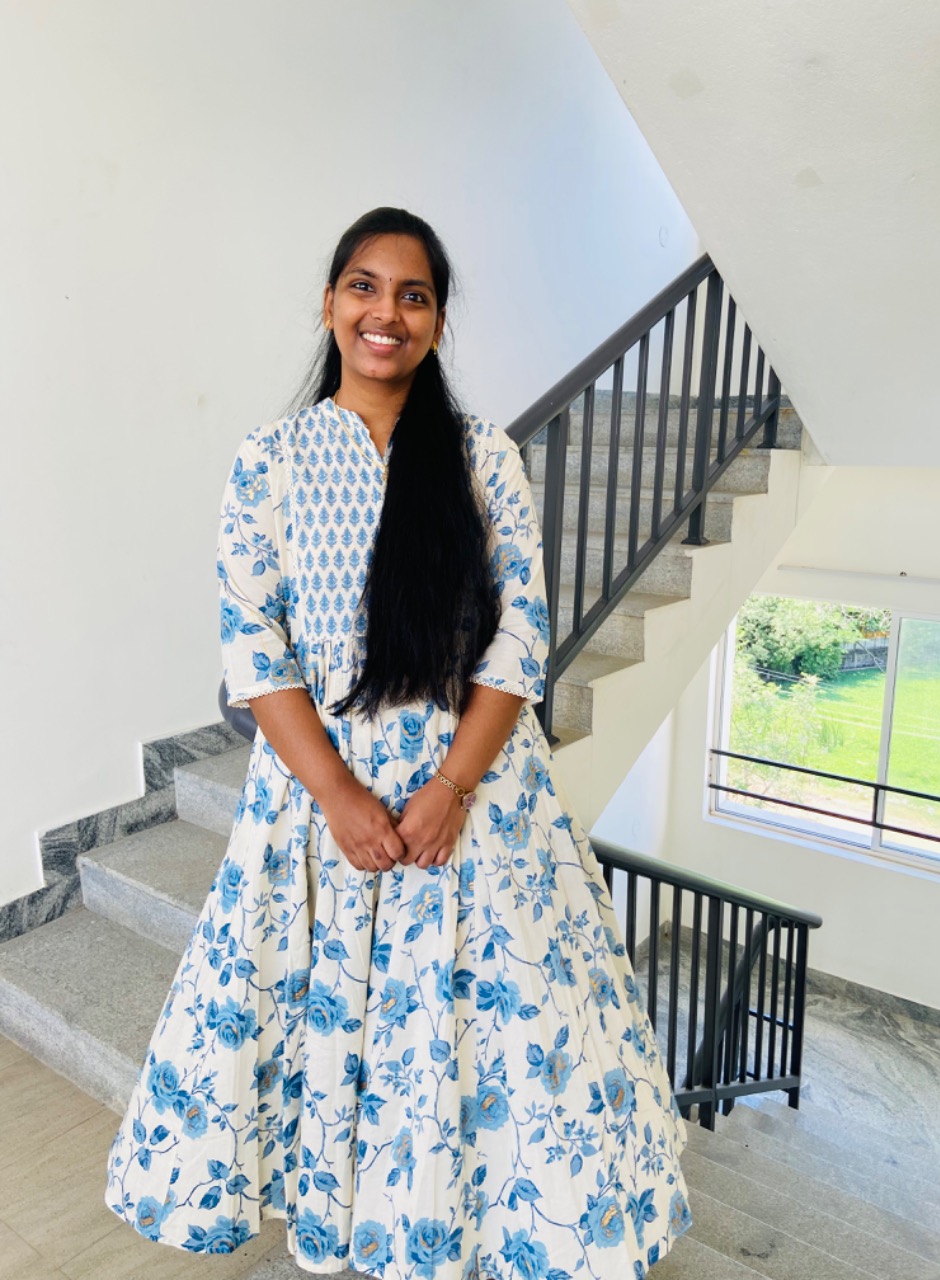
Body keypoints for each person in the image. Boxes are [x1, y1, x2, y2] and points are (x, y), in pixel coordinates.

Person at [104, 207, 691, 1278]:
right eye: (365, 287)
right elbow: (255, 647)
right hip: (317, 811)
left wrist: (451, 789)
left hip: (474, 805)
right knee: (330, 1039)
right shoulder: (271, 460)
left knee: (487, 1050)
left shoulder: (481, 457)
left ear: (437, 321)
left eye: (413, 295)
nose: (388, 313)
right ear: (331, 304)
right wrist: (338, 797)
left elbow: (523, 631)